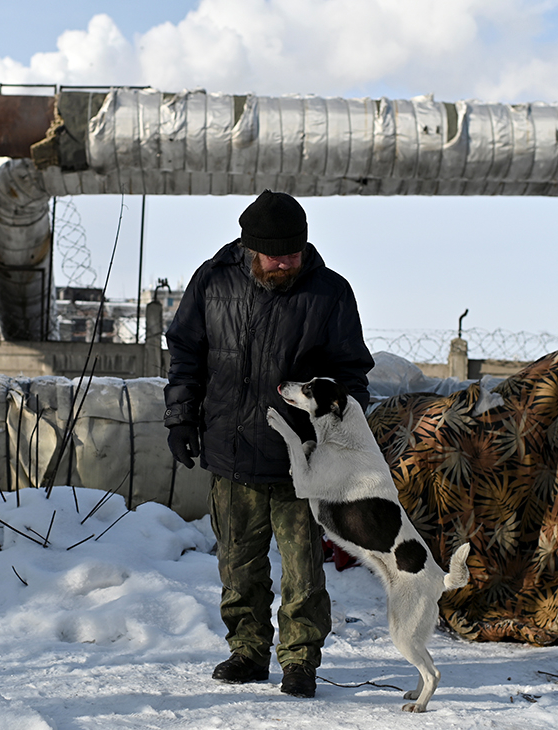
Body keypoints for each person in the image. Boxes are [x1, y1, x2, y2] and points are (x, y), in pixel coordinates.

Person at [163, 190, 374, 698]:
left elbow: (351, 376)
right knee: (238, 566)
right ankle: (248, 651)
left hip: (303, 460)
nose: (284, 263)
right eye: (274, 254)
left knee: (303, 572)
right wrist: (179, 417)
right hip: (230, 451)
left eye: (293, 253)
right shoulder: (212, 282)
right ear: (250, 247)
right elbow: (186, 354)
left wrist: (338, 436)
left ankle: (300, 660)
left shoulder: (330, 294)